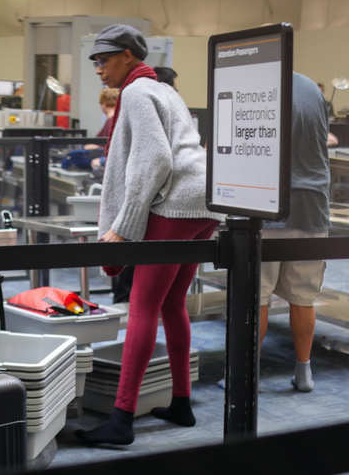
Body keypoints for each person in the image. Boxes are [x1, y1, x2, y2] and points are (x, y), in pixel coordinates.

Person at [75, 24, 223, 445]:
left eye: (103, 60)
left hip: (175, 204)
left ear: (127, 55)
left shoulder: (137, 93)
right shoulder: (164, 90)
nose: (99, 69)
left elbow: (154, 159)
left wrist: (123, 226)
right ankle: (181, 402)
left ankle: (121, 419)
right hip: (204, 204)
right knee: (173, 303)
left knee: (142, 306)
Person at [259, 72, 330, 392]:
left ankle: (247, 374)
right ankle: (304, 373)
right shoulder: (310, 89)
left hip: (266, 205)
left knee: (255, 298)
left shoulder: (258, 86)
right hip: (313, 206)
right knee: (303, 298)